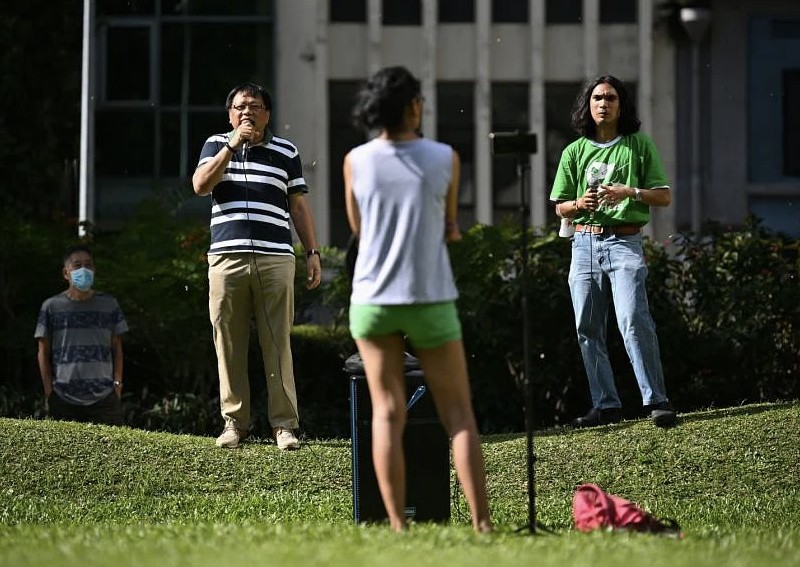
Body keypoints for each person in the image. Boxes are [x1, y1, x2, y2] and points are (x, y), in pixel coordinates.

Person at [343, 66, 492, 533]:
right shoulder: (445, 157)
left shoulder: (355, 160)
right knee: (459, 413)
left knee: (387, 411)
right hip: (428, 296)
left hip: (372, 297)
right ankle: (482, 524)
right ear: (413, 107)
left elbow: (358, 230)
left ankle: (396, 525)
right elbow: (450, 227)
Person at [192, 82, 322, 450]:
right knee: (228, 342)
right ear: (230, 114)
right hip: (227, 258)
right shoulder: (216, 144)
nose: (246, 112)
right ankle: (234, 424)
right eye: (239, 107)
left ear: (267, 113)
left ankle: (284, 426)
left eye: (254, 106)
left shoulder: (286, 150)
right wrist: (233, 145)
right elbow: (201, 185)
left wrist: (312, 252)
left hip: (275, 256)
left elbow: (297, 205)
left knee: (277, 342)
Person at [550, 75, 677, 428]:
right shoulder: (574, 151)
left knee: (633, 319)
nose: (604, 104)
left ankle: (657, 400)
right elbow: (559, 207)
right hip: (583, 244)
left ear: (622, 106)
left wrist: (630, 192)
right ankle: (606, 405)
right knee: (586, 327)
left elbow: (663, 196)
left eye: (611, 98)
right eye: (597, 99)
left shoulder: (638, 145)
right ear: (587, 107)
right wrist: (578, 203)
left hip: (625, 242)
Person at [34, 245, 127, 426]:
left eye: (88, 264)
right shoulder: (51, 307)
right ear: (66, 273)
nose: (83, 270)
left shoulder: (109, 305)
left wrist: (117, 385)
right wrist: (48, 391)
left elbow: (117, 349)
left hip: (105, 399)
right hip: (63, 398)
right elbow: (42, 351)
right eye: (77, 265)